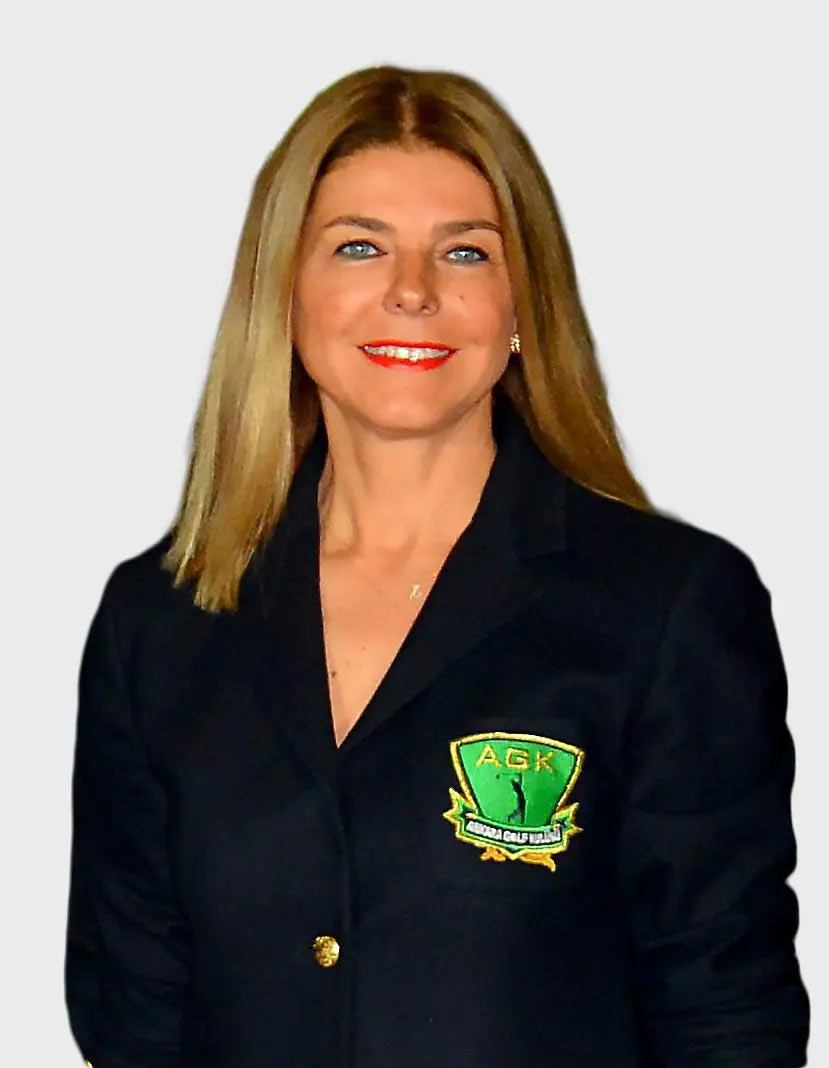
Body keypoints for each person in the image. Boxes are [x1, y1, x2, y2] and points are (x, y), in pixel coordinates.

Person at [64, 64, 810, 1067]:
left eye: (464, 252)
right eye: (359, 246)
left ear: (521, 304)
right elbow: (135, 1017)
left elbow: (726, 1016)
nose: (411, 290)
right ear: (284, 294)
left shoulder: (668, 607)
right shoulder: (159, 620)